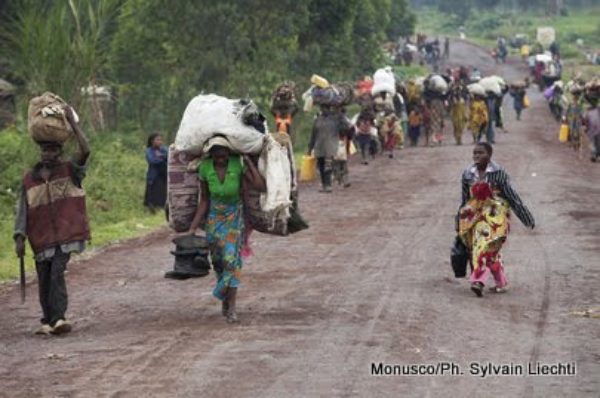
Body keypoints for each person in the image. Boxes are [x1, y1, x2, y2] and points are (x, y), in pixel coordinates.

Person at [14, 107, 90, 336]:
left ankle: (59, 318)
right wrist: (19, 235)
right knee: (44, 277)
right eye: (45, 150)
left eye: (52, 150)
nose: (48, 154)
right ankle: (47, 319)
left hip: (65, 234)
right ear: (41, 152)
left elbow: (86, 150)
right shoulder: (29, 178)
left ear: (59, 151)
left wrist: (73, 124)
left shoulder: (70, 170)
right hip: (40, 236)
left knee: (57, 272)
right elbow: (22, 209)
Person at [188, 136, 266, 323]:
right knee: (219, 263)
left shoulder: (237, 165)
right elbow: (204, 200)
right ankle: (225, 297)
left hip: (234, 219)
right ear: (211, 155)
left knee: (232, 261)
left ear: (229, 153)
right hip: (214, 221)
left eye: (224, 154)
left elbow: (259, 186)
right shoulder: (205, 168)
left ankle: (231, 306)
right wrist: (192, 229)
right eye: (217, 155)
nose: (221, 158)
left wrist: (248, 162)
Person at [457, 142, 535, 297]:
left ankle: (478, 281)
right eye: (475, 153)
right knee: (488, 251)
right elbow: (465, 199)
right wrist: (459, 218)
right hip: (475, 216)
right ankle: (500, 282)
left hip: (496, 215)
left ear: (489, 155)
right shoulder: (467, 173)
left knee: (483, 244)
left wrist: (526, 217)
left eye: (481, 153)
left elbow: (512, 197)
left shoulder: (499, 173)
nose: (477, 156)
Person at [308, 106, 353, 192]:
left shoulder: (336, 119)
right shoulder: (317, 120)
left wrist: (341, 116)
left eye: (326, 108)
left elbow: (346, 128)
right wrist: (310, 148)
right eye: (323, 109)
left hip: (331, 145)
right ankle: (324, 184)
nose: (324, 110)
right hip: (319, 146)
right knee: (321, 166)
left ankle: (328, 185)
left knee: (328, 165)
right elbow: (313, 135)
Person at [144, 133, 168, 212]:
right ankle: (152, 209)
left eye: (160, 140)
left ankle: (161, 208)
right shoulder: (148, 150)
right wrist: (163, 158)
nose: (160, 142)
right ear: (152, 141)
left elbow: (169, 156)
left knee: (162, 192)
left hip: (163, 175)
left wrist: (160, 156)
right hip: (153, 175)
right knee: (152, 194)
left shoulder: (163, 149)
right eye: (157, 140)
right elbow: (152, 160)